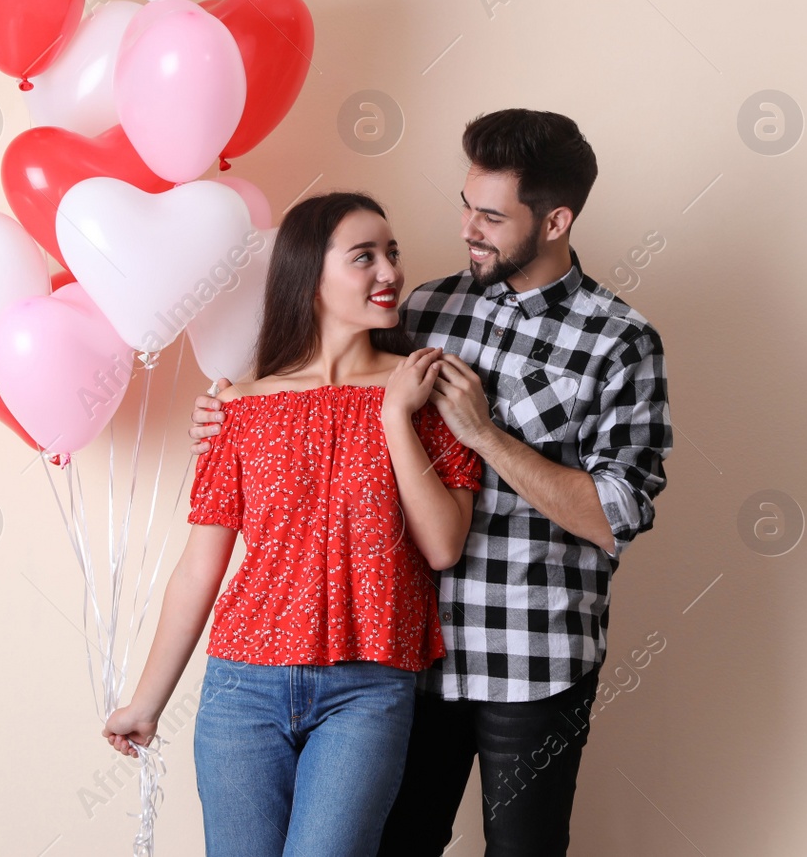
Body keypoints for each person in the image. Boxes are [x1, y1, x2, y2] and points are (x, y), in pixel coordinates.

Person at [191, 109, 674, 856]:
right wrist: (229, 413)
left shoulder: (619, 340)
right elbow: (326, 397)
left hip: (533, 658)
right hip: (409, 663)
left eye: (489, 215)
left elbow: (618, 512)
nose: (466, 228)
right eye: (465, 205)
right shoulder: (425, 308)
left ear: (554, 220)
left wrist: (487, 435)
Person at [102, 191, 485, 857]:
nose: (390, 272)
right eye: (364, 256)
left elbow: (444, 544)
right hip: (241, 687)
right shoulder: (240, 408)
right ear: (309, 273)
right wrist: (147, 700)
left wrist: (397, 417)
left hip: (367, 689)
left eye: (392, 253)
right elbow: (201, 566)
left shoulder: (426, 388)